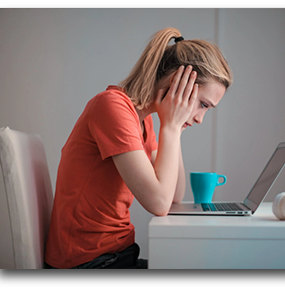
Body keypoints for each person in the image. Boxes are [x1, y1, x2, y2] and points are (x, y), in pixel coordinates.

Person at [44, 27, 233, 269]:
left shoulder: (143, 119)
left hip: (117, 254)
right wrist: (172, 128)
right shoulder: (112, 107)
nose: (200, 118)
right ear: (178, 83)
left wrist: (175, 127)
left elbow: (174, 195)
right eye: (203, 105)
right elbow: (159, 203)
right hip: (88, 262)